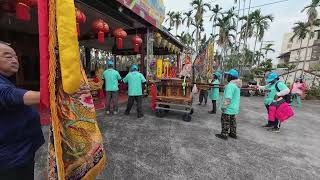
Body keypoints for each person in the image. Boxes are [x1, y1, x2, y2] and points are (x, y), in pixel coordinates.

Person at [0, 42, 44, 180]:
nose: (14, 60)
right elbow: (11, 95)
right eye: (8, 56)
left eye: (15, 57)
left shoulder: (7, 80)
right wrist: (54, 95)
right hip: (11, 159)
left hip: (22, 151)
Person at [215, 69, 241, 140]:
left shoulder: (230, 86)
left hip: (228, 108)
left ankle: (224, 134)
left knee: (225, 121)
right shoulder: (236, 85)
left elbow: (228, 98)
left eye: (228, 75)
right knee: (233, 121)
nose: (227, 77)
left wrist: (224, 106)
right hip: (234, 108)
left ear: (231, 77)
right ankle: (233, 133)